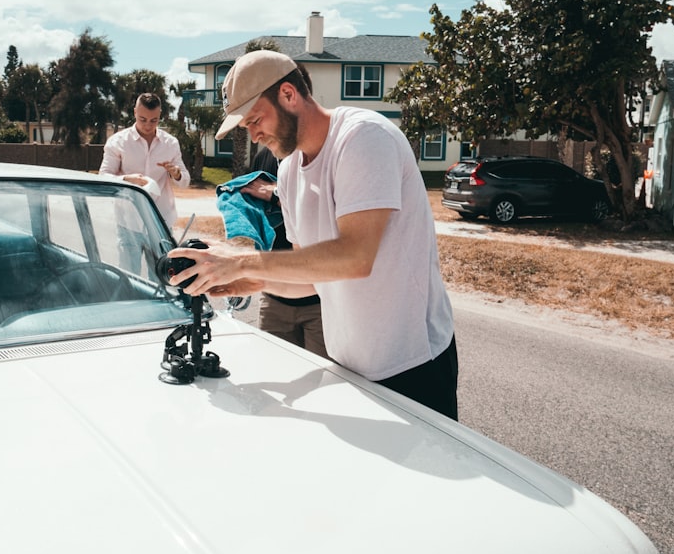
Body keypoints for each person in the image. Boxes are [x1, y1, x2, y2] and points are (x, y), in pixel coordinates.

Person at [168, 50, 458, 420]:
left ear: (289, 95)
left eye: (255, 119)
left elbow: (355, 257)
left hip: (413, 365)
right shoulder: (288, 172)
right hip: (347, 366)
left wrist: (239, 260)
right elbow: (315, 279)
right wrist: (251, 279)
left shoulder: (363, 137)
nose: (253, 134)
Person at [239, 145, 327, 358]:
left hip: (321, 302)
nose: (256, 132)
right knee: (275, 369)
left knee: (327, 380)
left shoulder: (320, 156)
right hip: (273, 301)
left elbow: (325, 206)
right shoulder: (262, 158)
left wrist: (277, 194)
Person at [100, 93, 190, 271]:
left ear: (160, 115)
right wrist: (126, 179)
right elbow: (103, 176)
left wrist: (177, 174)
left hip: (160, 222)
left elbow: (184, 182)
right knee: (128, 277)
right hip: (128, 221)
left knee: (161, 279)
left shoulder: (171, 144)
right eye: (143, 119)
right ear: (134, 112)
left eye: (154, 120)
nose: (148, 125)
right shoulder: (117, 142)